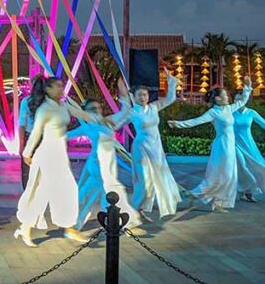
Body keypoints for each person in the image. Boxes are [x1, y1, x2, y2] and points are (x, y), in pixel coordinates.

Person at [16, 76, 108, 247]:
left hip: (59, 155)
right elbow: (36, 132)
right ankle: (28, 228)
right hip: (47, 155)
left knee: (68, 190)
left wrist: (98, 118)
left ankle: (68, 228)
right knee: (43, 192)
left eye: (61, 86)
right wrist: (26, 153)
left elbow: (81, 114)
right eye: (57, 86)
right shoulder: (44, 109)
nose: (61, 89)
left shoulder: (63, 105)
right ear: (48, 89)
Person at [168, 76, 253, 212]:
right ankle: (214, 201)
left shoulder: (228, 109)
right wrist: (178, 124)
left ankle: (200, 195)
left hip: (230, 146)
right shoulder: (213, 112)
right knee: (221, 174)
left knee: (230, 175)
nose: (227, 97)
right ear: (218, 99)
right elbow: (197, 121)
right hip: (222, 147)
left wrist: (247, 87)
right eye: (225, 95)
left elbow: (243, 100)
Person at [66, 97, 146, 236]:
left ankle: (71, 224)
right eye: (92, 109)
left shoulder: (108, 122)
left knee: (89, 193)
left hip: (107, 165)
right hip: (99, 166)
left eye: (98, 108)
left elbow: (124, 112)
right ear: (85, 112)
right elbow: (66, 135)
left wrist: (124, 97)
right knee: (115, 191)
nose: (97, 111)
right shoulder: (88, 126)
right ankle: (130, 224)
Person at [120, 72, 183, 222]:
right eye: (140, 95)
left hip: (156, 149)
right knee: (144, 181)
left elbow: (170, 99)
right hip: (141, 149)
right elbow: (116, 124)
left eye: (145, 95)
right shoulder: (132, 112)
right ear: (133, 97)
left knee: (155, 182)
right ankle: (133, 211)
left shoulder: (154, 107)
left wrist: (172, 83)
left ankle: (138, 210)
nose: (143, 98)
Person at [16, 80, 35, 191]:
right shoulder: (27, 101)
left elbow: (22, 124)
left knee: (27, 172)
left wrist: (21, 144)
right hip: (33, 137)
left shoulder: (26, 101)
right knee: (27, 172)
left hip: (32, 138)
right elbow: (22, 124)